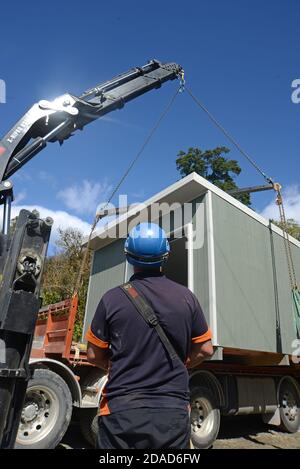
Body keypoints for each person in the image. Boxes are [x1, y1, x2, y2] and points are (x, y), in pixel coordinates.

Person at [86, 222, 213, 449]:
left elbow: (94, 355)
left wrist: (118, 367)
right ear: (165, 256)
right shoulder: (187, 298)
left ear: (128, 257)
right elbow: (205, 349)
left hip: (120, 413)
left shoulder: (111, 299)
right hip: (172, 413)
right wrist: (182, 364)